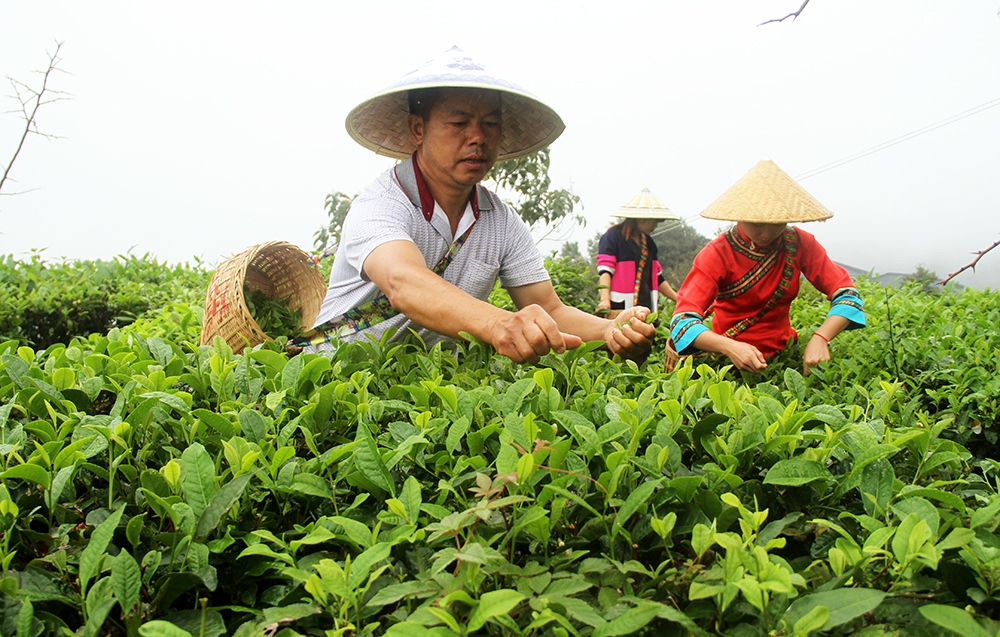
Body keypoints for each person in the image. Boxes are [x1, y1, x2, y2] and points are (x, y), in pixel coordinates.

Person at [300, 47, 655, 363]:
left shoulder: (501, 220)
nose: (478, 137)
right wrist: (498, 323)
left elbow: (549, 307)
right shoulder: (380, 204)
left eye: (490, 123)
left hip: (429, 389)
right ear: (418, 129)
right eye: (459, 123)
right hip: (342, 381)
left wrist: (610, 330)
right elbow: (403, 281)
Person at [670, 159, 865, 375]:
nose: (766, 234)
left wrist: (821, 337)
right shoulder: (717, 253)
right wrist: (730, 347)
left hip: (786, 357)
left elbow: (848, 296)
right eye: (757, 224)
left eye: (776, 224)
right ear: (739, 216)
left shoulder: (800, 243)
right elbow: (682, 322)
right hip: (728, 363)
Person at [596, 187, 679, 319]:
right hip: (620, 305)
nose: (655, 226)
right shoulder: (613, 237)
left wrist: (679, 299)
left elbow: (658, 278)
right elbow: (605, 271)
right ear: (641, 219)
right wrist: (605, 300)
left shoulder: (649, 243)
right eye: (654, 222)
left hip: (645, 305)